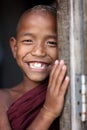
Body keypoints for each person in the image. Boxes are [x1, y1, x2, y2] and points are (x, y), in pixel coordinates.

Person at [0, 5, 70, 130]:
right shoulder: (3, 99)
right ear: (14, 48)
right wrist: (48, 112)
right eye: (28, 41)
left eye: (51, 43)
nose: (39, 52)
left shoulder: (72, 93)